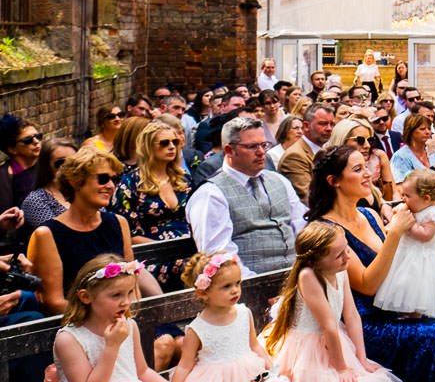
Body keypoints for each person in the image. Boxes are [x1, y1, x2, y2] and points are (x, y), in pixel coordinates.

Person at [307, 146, 435, 382]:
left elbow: (395, 264)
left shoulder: (367, 216)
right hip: (362, 323)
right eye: (357, 170)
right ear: (334, 181)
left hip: (390, 308)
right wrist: (394, 232)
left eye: (365, 166)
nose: (368, 173)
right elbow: (368, 285)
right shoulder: (328, 230)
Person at [18, 254, 182, 382]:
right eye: (116, 295)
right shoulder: (69, 338)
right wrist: (112, 346)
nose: (126, 302)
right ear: (86, 297)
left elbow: (141, 371)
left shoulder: (129, 325)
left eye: (129, 293)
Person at [263, 221, 402, 382]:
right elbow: (328, 325)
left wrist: (361, 358)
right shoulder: (308, 276)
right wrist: (341, 369)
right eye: (339, 255)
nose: (347, 257)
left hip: (335, 341)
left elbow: (351, 315)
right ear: (314, 261)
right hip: (307, 350)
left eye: (347, 249)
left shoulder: (340, 271)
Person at [28, 148, 163, 315]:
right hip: (77, 326)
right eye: (103, 179)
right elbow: (54, 302)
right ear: (75, 181)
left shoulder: (118, 223)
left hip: (122, 317)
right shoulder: (47, 234)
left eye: (115, 179)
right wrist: (101, 319)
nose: (111, 186)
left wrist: (127, 317)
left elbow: (132, 284)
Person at [184, 117, 306, 276]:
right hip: (251, 287)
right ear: (228, 150)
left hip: (299, 277)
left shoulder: (279, 181)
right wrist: (258, 287)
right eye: (252, 146)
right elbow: (219, 255)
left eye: (264, 145)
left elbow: (302, 228)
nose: (261, 152)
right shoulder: (210, 194)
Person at [171, 252, 273, 382]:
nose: (235, 290)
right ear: (204, 292)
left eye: (238, 283)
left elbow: (254, 345)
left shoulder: (244, 313)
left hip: (248, 375)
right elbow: (185, 365)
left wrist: (270, 367)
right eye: (227, 286)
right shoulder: (197, 329)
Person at [111, 120, 191, 290]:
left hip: (189, 249)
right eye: (164, 143)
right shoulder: (130, 183)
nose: (171, 147)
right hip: (151, 255)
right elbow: (126, 232)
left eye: (175, 142)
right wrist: (168, 249)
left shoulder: (183, 178)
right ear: (148, 146)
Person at [371, 169, 435, 318]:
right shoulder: (417, 206)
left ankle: (413, 315)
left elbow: (426, 235)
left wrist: (409, 223)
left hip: (421, 260)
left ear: (426, 198)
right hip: (407, 254)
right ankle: (402, 312)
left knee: (415, 289)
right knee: (401, 284)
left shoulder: (431, 213)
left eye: (407, 195)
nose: (403, 198)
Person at [277, 103, 335, 203]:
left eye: (332, 124)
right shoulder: (294, 156)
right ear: (306, 126)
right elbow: (309, 198)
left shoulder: (325, 150)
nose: (329, 128)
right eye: (323, 123)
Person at [22, 139, 77, 234]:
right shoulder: (36, 200)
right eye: (61, 162)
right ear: (46, 166)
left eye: (74, 161)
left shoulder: (86, 189)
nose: (69, 166)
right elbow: (57, 236)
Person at [0, 115, 42, 215]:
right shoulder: (4, 176)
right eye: (28, 140)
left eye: (38, 136)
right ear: (12, 149)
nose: (36, 142)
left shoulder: (46, 164)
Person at [390, 113, 435, 182]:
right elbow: (400, 185)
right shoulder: (400, 157)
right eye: (422, 129)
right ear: (410, 131)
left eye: (429, 128)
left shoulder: (434, 152)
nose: (428, 132)